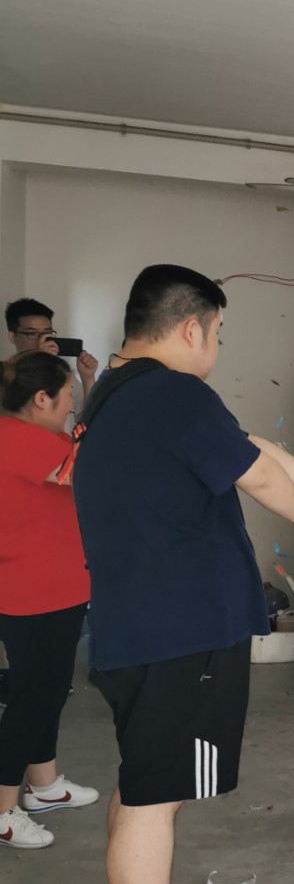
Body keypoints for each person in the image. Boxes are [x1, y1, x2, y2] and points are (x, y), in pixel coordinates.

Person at [72, 265, 294, 884]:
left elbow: (249, 448)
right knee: (156, 797)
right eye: (218, 333)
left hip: (144, 626)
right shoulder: (174, 394)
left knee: (145, 782)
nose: (216, 346)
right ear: (190, 328)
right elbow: (255, 475)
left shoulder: (123, 392)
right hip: (180, 631)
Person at [0, 352, 99, 848]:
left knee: (48, 690)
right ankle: (2, 810)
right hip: (35, 592)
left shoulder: (38, 435)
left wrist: (91, 386)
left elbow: (83, 450)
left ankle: (43, 785)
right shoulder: (20, 440)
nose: (69, 406)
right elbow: (92, 470)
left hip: (52, 588)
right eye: (66, 397)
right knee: (33, 698)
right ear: (41, 399)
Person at [4, 296, 99, 400]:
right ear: (12, 336)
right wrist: (41, 362)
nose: (41, 340)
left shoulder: (61, 372)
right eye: (32, 333)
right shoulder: (6, 376)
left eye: (47, 333)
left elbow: (88, 410)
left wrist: (87, 378)